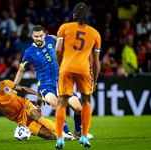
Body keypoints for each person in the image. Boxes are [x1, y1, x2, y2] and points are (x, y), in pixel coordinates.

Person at [14, 25, 82, 138]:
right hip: (45, 85)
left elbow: (60, 40)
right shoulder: (29, 52)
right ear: (32, 37)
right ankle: (66, 132)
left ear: (44, 35)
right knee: (55, 103)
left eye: (41, 36)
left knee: (79, 109)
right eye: (36, 37)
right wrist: (14, 87)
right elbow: (21, 70)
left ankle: (78, 131)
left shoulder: (50, 39)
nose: (39, 39)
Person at [55, 2, 101, 148]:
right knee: (86, 102)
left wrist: (60, 66)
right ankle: (84, 137)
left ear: (73, 15)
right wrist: (95, 80)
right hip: (84, 69)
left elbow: (57, 50)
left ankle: (59, 139)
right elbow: (96, 62)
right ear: (87, 16)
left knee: (62, 102)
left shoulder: (64, 27)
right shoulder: (95, 33)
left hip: (66, 67)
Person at [0, 72, 60, 141]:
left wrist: (36, 93)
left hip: (25, 105)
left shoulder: (5, 83)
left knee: (36, 117)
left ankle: (62, 133)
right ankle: (61, 137)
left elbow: (22, 88)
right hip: (20, 119)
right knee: (51, 137)